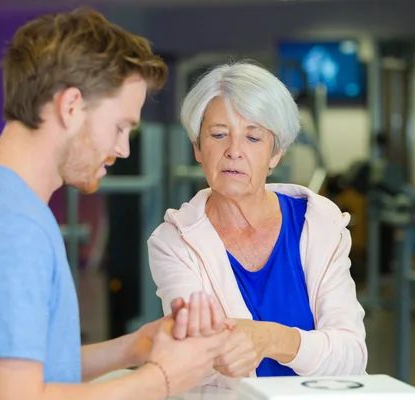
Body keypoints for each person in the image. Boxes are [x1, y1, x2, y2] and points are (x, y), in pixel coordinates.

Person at [0, 8, 229, 400]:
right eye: (120, 126)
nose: (122, 148)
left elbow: (29, 369)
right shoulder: (8, 225)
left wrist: (133, 348)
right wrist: (162, 379)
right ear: (71, 107)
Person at [148, 61, 368, 389]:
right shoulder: (174, 241)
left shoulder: (319, 224)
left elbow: (351, 356)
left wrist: (271, 339)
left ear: (276, 154)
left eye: (253, 138)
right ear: (197, 148)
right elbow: (199, 358)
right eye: (219, 134)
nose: (234, 151)